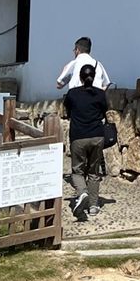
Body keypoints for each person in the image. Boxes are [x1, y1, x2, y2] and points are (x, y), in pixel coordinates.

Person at [62, 63, 108, 220]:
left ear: (80, 78)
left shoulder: (72, 94)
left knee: (77, 171)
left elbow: (67, 112)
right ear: (94, 77)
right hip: (97, 136)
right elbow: (103, 113)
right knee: (94, 171)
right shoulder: (100, 94)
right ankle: (94, 206)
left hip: (78, 137)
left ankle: (82, 193)